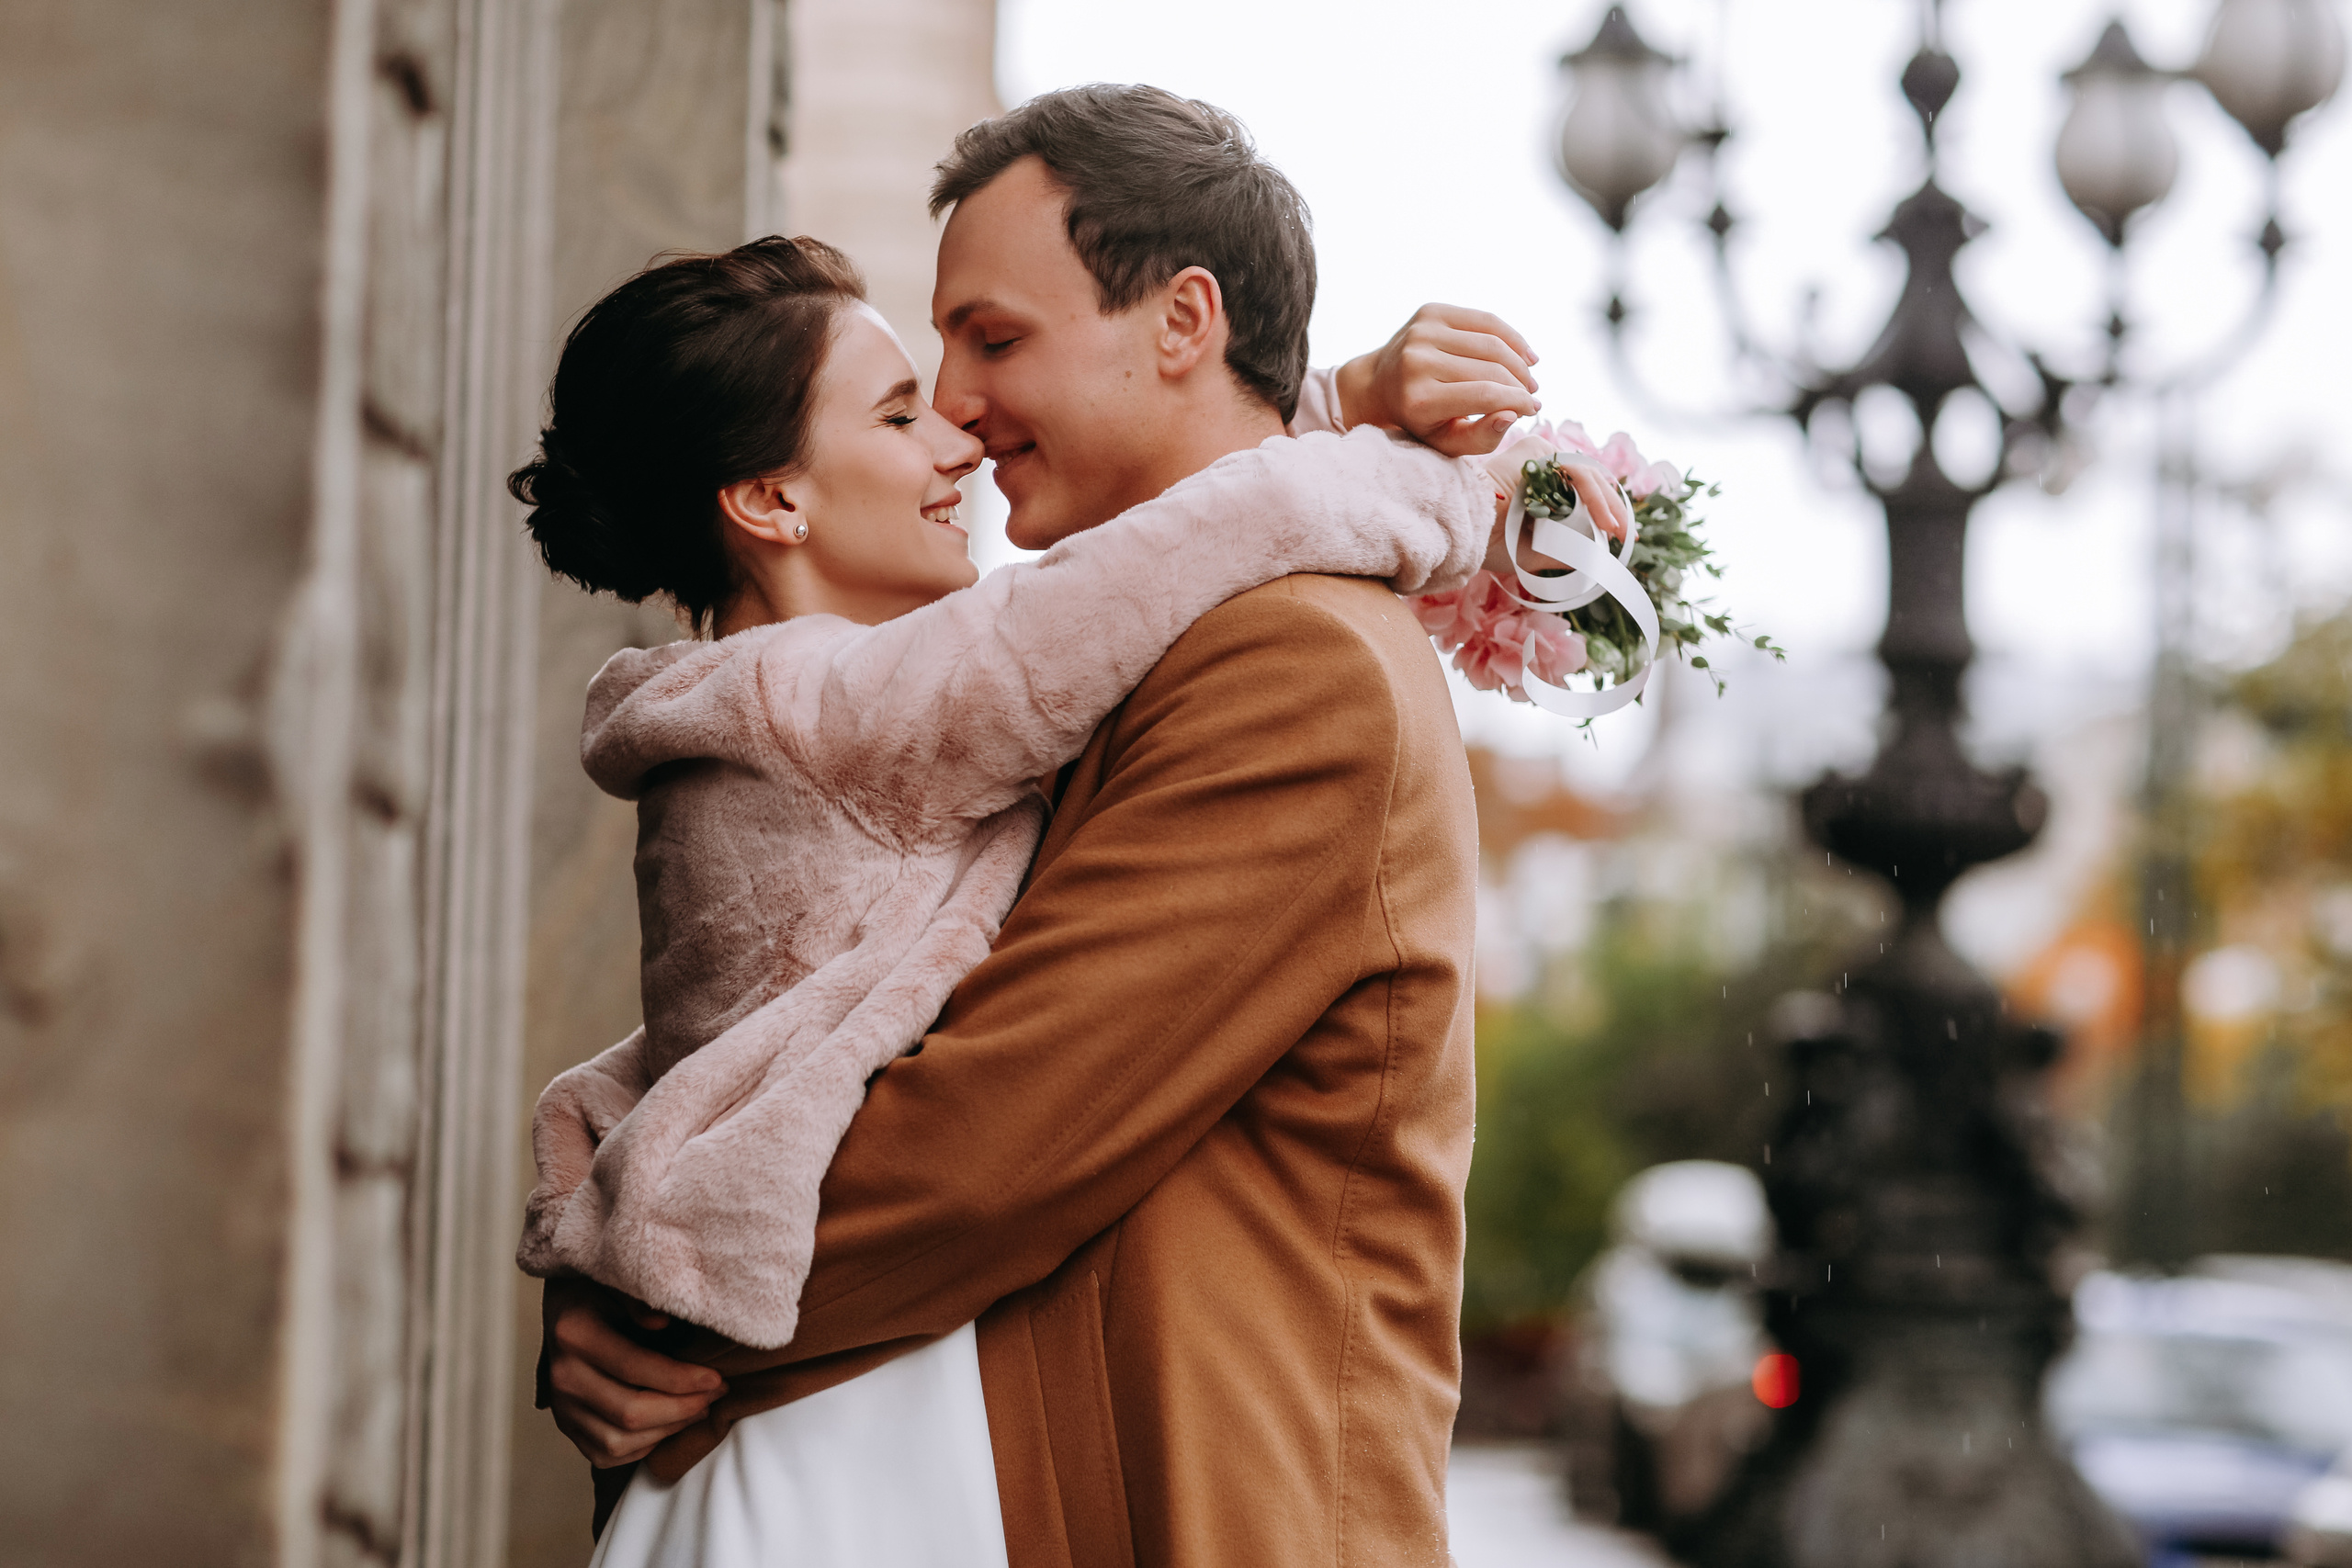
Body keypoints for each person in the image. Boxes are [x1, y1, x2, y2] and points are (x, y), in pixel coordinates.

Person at [541, 85, 1571, 1567]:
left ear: (1181, 322)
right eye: (920, 379)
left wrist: (650, 1299)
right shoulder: (1056, 674)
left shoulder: (1293, 672)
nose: (956, 404)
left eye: (994, 340)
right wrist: (622, 1273)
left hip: (1200, 1504)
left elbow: (983, 1143)